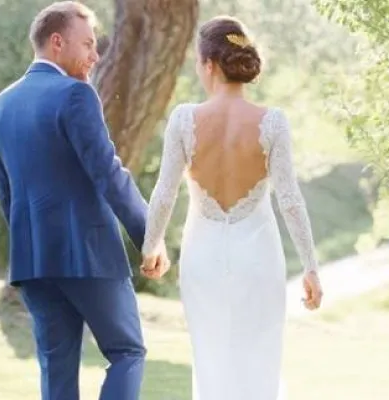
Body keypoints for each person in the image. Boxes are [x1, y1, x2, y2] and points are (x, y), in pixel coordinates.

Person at [0, 2, 168, 399]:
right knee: (127, 351)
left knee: (57, 369)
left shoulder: (1, 106)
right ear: (56, 42)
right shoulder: (75, 94)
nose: (95, 56)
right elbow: (109, 174)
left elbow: (7, 194)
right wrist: (149, 236)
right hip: (87, 252)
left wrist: (31, 242)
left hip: (33, 260)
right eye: (87, 44)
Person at [140, 15, 324, 400]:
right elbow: (289, 199)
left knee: (210, 361)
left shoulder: (184, 119)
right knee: (260, 361)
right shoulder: (272, 122)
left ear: (209, 64)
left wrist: (151, 245)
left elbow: (165, 192)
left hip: (203, 260)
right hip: (258, 258)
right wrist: (310, 266)